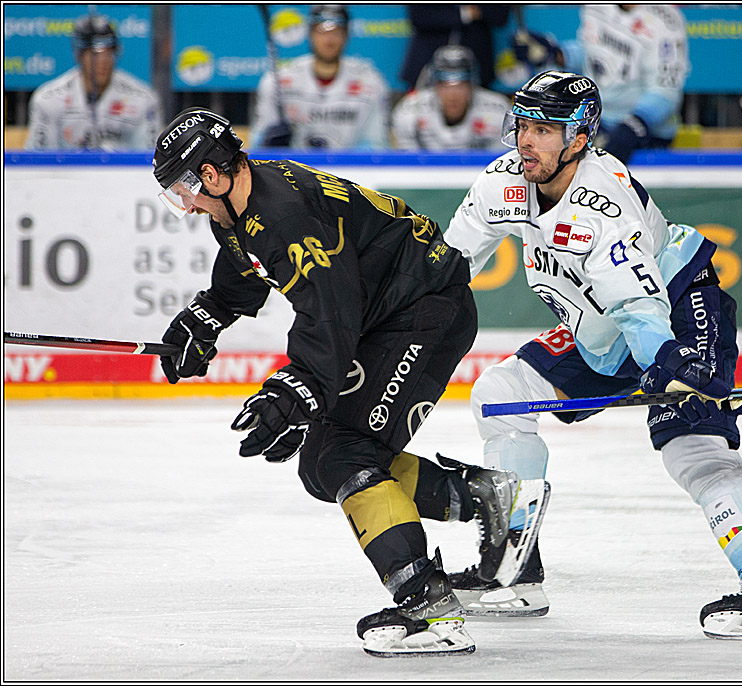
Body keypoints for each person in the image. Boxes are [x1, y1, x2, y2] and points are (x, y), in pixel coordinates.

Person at [150, 107, 547, 656]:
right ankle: (492, 501)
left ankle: (427, 605)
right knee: (322, 464)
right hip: (389, 314)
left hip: (421, 313)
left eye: (184, 187)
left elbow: (330, 312)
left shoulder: (283, 214)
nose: (187, 201)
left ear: (211, 176)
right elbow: (249, 266)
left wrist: (299, 388)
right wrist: (208, 315)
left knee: (343, 454)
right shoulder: (246, 202)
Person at [441, 70, 742, 639]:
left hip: (678, 307)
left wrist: (666, 361)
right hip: (598, 328)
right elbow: (449, 265)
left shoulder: (602, 203)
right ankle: (513, 567)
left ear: (580, 138)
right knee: (499, 396)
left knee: (693, 448)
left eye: (545, 129)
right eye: (523, 125)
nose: (526, 141)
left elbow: (639, 305)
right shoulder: (504, 183)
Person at [522, 5, 689, 164]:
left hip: (646, 132)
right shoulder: (595, 6)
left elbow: (666, 92)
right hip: (597, 120)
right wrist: (558, 54)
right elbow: (590, 52)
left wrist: (631, 127)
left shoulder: (667, 20)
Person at [250, 5, 390, 149]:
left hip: (348, 169)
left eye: (336, 32)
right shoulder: (277, 81)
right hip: (292, 168)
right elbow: (257, 144)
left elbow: (377, 146)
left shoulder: (370, 83)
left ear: (347, 35)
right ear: (310, 33)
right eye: (321, 31)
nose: (329, 40)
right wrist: (269, 143)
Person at [26, 14, 161, 150]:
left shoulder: (143, 99)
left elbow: (147, 158)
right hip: (64, 171)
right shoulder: (48, 99)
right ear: (79, 55)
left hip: (123, 171)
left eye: (108, 53)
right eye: (94, 54)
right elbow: (39, 159)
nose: (102, 62)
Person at [391, 45, 509, 150]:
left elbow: (501, 164)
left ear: (473, 86)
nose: (453, 95)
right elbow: (407, 165)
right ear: (434, 86)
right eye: (445, 85)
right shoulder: (410, 110)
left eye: (461, 85)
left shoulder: (499, 110)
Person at [399, 5, 511, 90]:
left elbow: (500, 16)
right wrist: (464, 14)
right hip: (427, 66)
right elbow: (419, 16)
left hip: (478, 68)